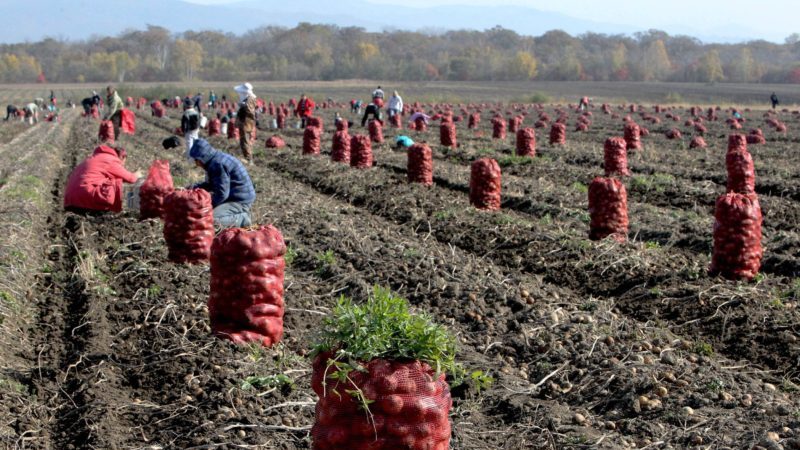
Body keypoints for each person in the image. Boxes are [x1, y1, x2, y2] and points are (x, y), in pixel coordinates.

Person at [189, 139, 256, 228]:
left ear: (202, 157)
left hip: (240, 200)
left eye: (196, 160)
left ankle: (243, 218)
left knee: (210, 220)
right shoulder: (215, 159)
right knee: (207, 215)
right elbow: (212, 184)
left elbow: (222, 194)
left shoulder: (217, 164)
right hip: (234, 196)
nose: (197, 164)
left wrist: (206, 207)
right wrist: (192, 188)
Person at [63, 145, 142, 213]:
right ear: (122, 157)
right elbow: (131, 179)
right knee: (135, 184)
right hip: (87, 199)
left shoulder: (92, 158)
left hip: (69, 202)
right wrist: (137, 174)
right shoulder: (110, 160)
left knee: (112, 181)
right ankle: (134, 214)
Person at [235, 82, 257, 162]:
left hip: (246, 122)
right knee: (244, 140)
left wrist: (244, 106)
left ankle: (248, 159)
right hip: (246, 122)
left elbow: (251, 112)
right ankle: (248, 157)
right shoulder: (250, 98)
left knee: (245, 141)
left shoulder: (250, 99)